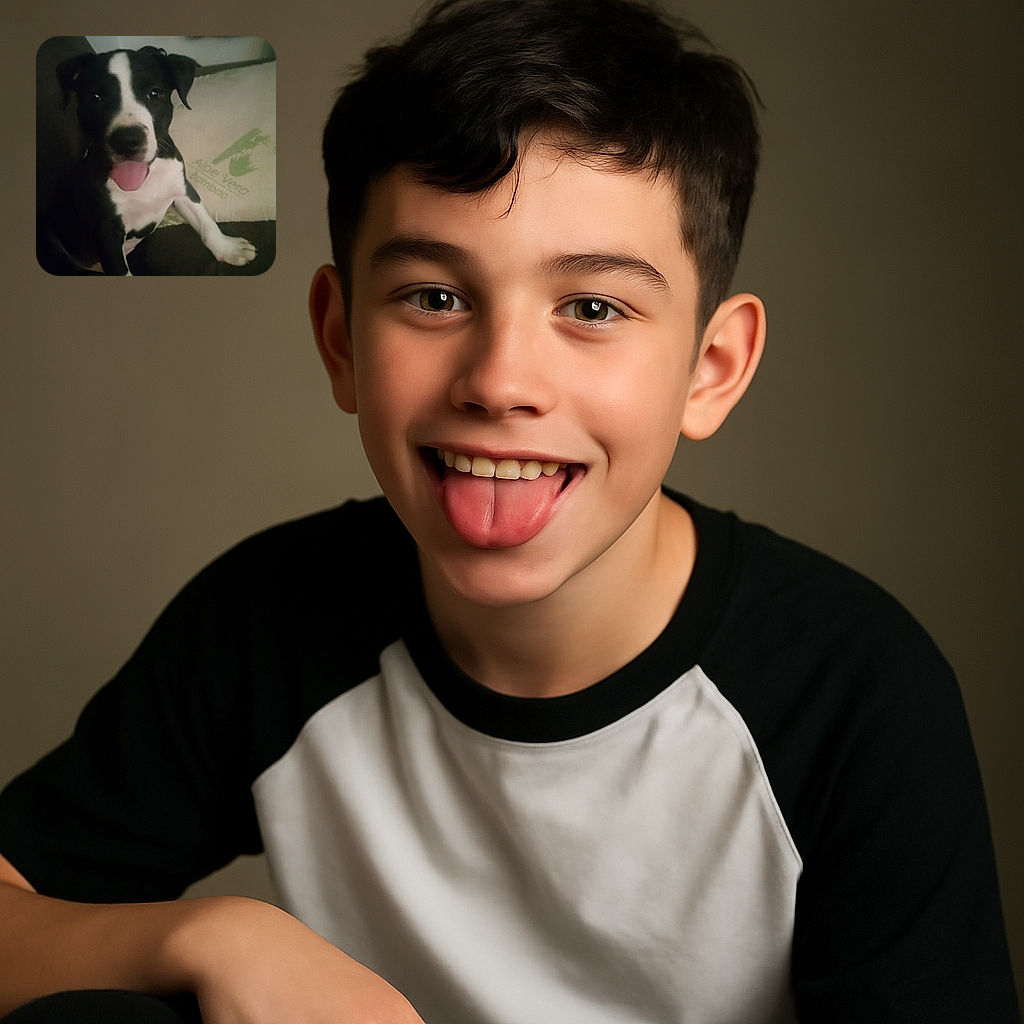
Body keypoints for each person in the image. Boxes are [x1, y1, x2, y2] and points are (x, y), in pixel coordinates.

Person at [0, 0, 1018, 1021]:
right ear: (341, 338)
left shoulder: (856, 695)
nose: (500, 381)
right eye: (435, 297)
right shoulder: (271, 621)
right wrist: (212, 935)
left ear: (711, 369)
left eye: (591, 308)